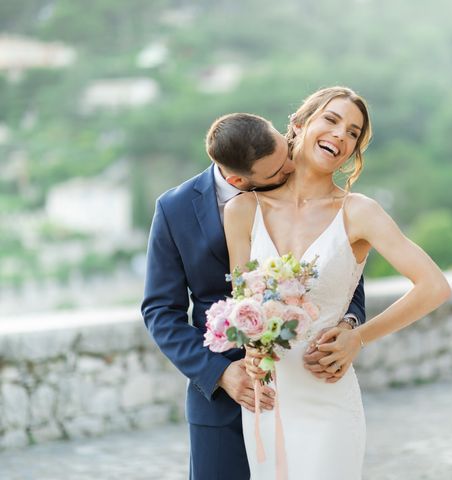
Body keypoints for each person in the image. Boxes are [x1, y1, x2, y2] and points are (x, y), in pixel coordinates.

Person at [224, 86, 452, 479]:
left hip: (327, 393)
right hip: (266, 398)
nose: (341, 136)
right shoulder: (242, 210)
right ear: (299, 125)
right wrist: (249, 354)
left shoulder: (359, 212)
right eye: (331, 120)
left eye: (353, 133)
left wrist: (357, 336)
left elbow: (434, 286)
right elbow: (242, 303)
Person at [140, 112, 366, 480]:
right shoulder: (174, 209)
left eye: (286, 154)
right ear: (237, 180)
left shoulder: (293, 174)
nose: (291, 167)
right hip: (222, 402)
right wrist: (221, 373)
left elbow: (343, 268)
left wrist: (350, 326)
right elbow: (160, 311)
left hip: (305, 387)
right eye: (277, 172)